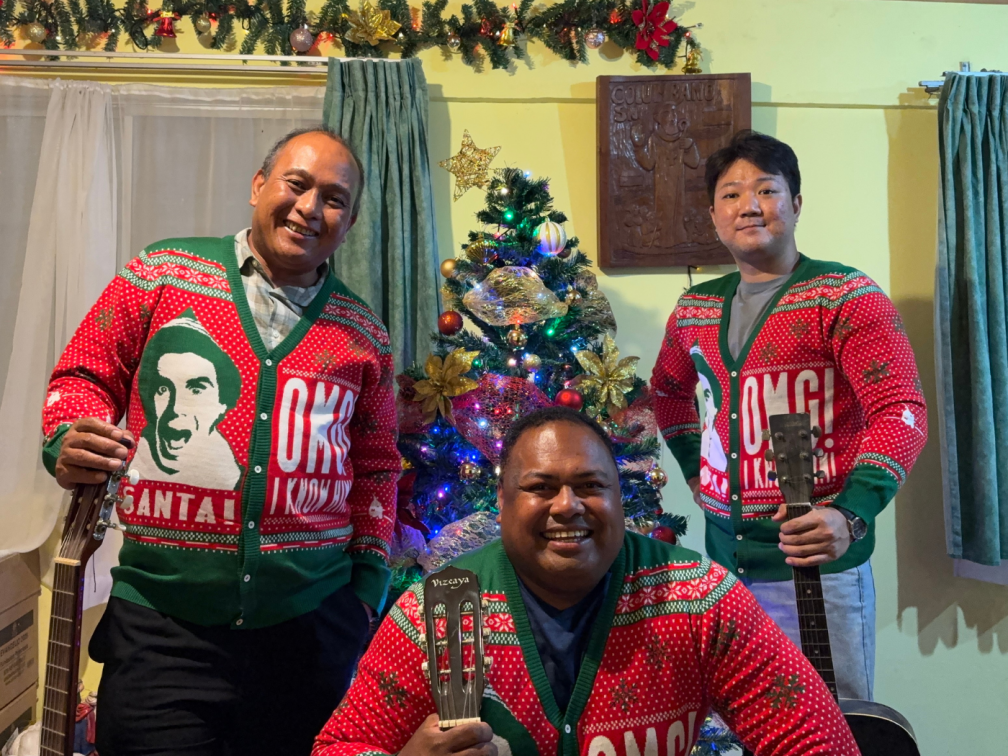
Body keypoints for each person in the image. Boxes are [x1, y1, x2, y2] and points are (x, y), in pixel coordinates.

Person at [41, 126, 401, 756]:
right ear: (259, 185)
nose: (311, 207)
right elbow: (84, 373)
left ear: (350, 221)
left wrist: (365, 594)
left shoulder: (361, 332)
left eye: (335, 198)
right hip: (161, 630)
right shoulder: (163, 274)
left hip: (309, 636)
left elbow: (375, 469)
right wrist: (68, 436)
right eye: (296, 184)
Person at [313, 407, 860, 756]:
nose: (568, 506)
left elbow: (819, 741)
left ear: (622, 502)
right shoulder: (439, 609)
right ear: (501, 505)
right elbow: (341, 747)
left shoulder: (700, 598)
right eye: (541, 486)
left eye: (591, 485)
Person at [652, 129, 927, 701]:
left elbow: (901, 410)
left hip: (819, 570)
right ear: (713, 215)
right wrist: (700, 476)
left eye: (766, 190)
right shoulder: (695, 308)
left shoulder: (845, 295)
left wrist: (851, 515)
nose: (748, 206)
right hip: (726, 568)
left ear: (795, 204)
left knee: (835, 725)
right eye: (730, 195)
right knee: (748, 728)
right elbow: (668, 393)